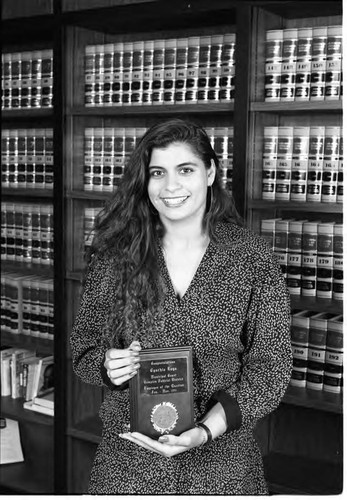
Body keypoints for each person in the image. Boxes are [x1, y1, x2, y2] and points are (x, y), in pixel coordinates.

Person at [70, 118, 293, 495]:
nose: (170, 186)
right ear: (146, 181)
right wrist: (108, 365)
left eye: (185, 169)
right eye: (158, 172)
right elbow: (83, 348)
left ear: (209, 173)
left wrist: (207, 430)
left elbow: (271, 365)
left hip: (224, 469)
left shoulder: (251, 257)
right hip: (128, 466)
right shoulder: (115, 256)